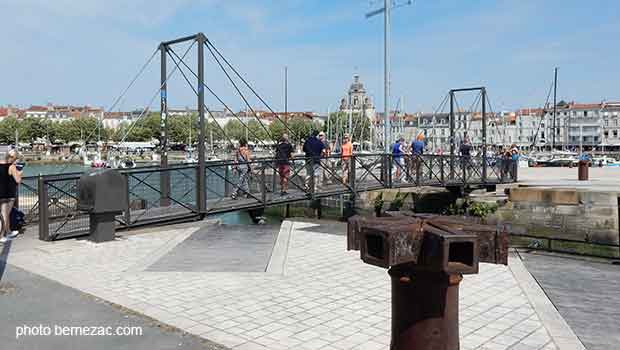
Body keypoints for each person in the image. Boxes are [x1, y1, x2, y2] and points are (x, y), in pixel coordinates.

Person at [0, 149, 22, 243]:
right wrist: (20, 173)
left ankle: (7, 232)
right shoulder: (12, 167)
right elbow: (18, 180)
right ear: (13, 158)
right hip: (8, 194)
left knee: (3, 215)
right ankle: (1, 236)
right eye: (16, 158)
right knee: (5, 215)